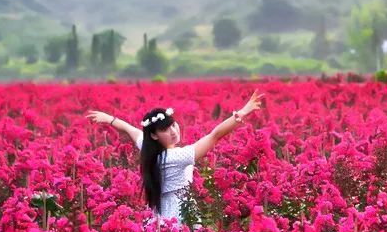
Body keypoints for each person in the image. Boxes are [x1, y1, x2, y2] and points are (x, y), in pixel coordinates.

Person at [85, 89, 265, 225]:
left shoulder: (147, 148)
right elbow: (214, 135)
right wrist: (242, 112)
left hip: (158, 211)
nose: (173, 131)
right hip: (180, 212)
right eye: (165, 129)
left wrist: (109, 119)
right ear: (154, 135)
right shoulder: (176, 157)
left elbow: (129, 129)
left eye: (173, 125)